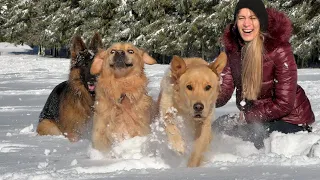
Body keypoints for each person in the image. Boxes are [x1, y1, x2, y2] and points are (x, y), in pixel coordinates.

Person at [215, 0, 315, 149]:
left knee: (247, 138)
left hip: (291, 120)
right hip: (258, 118)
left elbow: (284, 104)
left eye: (252, 18)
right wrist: (201, 97)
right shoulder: (234, 50)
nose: (246, 24)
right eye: (241, 18)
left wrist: (251, 116)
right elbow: (224, 90)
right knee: (218, 128)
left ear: (261, 21)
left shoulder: (279, 49)